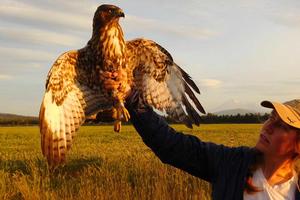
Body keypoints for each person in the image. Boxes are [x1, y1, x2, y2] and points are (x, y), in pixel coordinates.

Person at [100, 75, 300, 199]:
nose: (268, 126)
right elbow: (171, 145)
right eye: (270, 117)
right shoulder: (231, 164)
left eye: (282, 126)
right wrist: (130, 96)